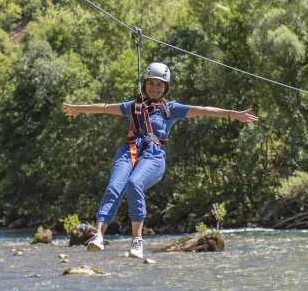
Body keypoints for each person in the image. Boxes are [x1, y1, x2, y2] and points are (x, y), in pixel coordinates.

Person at [62, 62, 258, 260]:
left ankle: (137, 240)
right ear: (145, 84)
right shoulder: (133, 107)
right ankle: (98, 234)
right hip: (129, 151)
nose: (155, 88)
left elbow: (203, 110)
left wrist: (234, 114)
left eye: (160, 85)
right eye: (151, 84)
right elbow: (104, 108)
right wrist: (78, 109)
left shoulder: (171, 109)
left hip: (153, 156)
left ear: (166, 88)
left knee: (134, 183)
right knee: (115, 186)